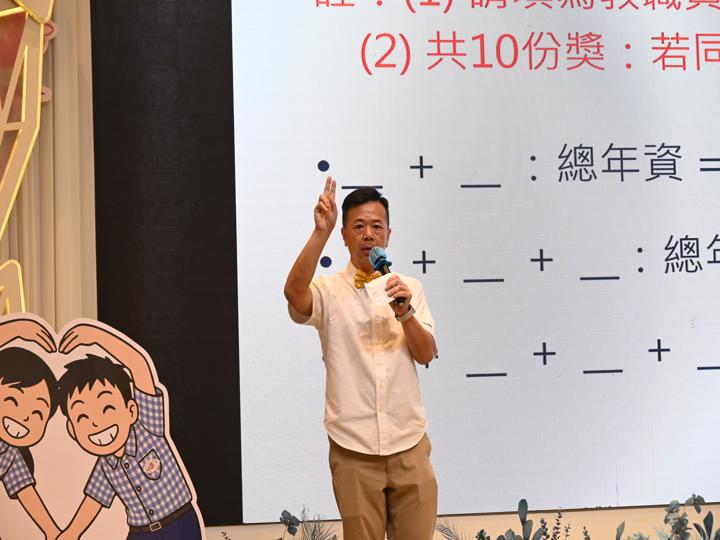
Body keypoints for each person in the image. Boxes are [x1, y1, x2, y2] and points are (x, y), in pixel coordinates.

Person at [284, 177, 438, 540]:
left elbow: (426, 353)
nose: (368, 234)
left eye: (376, 226)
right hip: (353, 447)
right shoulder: (328, 291)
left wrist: (405, 313)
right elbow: (293, 294)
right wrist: (319, 232)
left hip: (409, 442)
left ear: (388, 235)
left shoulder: (409, 288)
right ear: (344, 235)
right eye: (358, 226)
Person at [55, 322, 202, 540]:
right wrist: (71, 534)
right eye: (83, 417)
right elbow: (93, 501)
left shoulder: (148, 426)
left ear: (131, 410)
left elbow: (138, 365)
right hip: (140, 533)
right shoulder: (105, 465)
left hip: (179, 522)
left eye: (107, 408)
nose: (96, 422)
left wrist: (96, 336)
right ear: (72, 431)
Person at [0, 317, 61, 540]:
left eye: (37, 413)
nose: (25, 416)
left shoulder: (8, 453)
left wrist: (53, 532)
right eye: (13, 400)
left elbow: (26, 491)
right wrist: (16, 330)